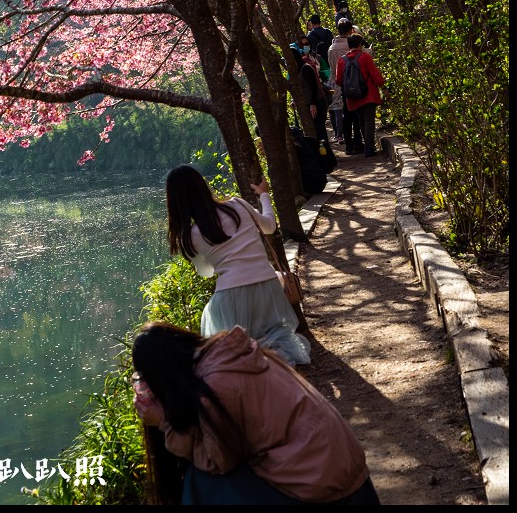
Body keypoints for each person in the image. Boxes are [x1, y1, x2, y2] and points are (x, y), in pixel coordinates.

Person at [132, 322, 382, 506]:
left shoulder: (217, 386)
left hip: (326, 491)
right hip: (349, 479)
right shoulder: (231, 357)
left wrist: (163, 421)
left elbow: (219, 459)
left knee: (201, 484)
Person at [165, 165, 311, 367]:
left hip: (232, 295)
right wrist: (264, 195)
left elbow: (206, 273)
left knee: (219, 329)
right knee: (270, 337)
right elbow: (269, 227)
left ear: (175, 202)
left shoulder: (190, 236)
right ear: (203, 186)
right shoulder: (238, 205)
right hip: (268, 286)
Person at [336, 34, 388, 159]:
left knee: (361, 121)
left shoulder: (342, 60)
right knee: (369, 121)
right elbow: (375, 74)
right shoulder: (365, 57)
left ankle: (368, 146)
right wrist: (383, 86)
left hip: (352, 97)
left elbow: (338, 80)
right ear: (359, 45)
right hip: (368, 93)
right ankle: (369, 148)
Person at [328, 19, 363, 154]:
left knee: (346, 115)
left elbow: (332, 69)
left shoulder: (331, 48)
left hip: (341, 85)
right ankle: (358, 142)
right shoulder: (351, 45)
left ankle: (348, 144)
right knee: (357, 115)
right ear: (350, 30)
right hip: (356, 84)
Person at [290, 41, 329, 143]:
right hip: (308, 103)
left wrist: (313, 104)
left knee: (319, 129)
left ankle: (326, 154)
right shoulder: (296, 71)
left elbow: (313, 86)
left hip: (316, 102)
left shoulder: (306, 68)